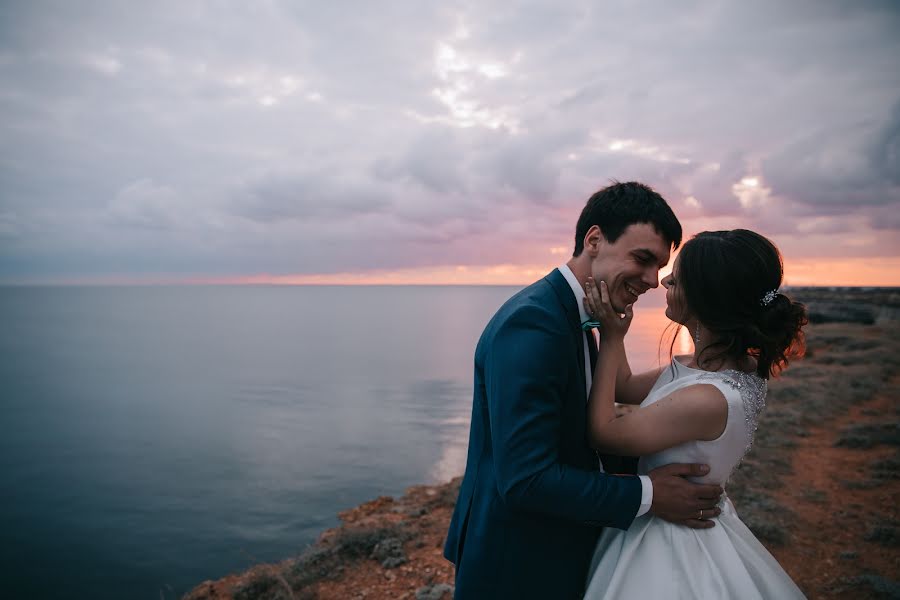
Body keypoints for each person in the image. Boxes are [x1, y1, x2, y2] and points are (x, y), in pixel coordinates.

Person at [444, 182, 726, 599]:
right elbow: (525, 480)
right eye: (642, 259)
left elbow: (581, 435)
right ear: (594, 240)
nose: (651, 280)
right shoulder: (535, 324)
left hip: (560, 546)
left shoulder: (584, 314)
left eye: (659, 268)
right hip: (518, 563)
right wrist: (650, 493)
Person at [582, 229, 808, 599]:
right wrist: (617, 327)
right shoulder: (720, 368)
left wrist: (610, 338)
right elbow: (622, 386)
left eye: (679, 277)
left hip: (673, 539)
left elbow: (603, 432)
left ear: (708, 298)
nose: (666, 279)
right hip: (672, 511)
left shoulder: (708, 398)